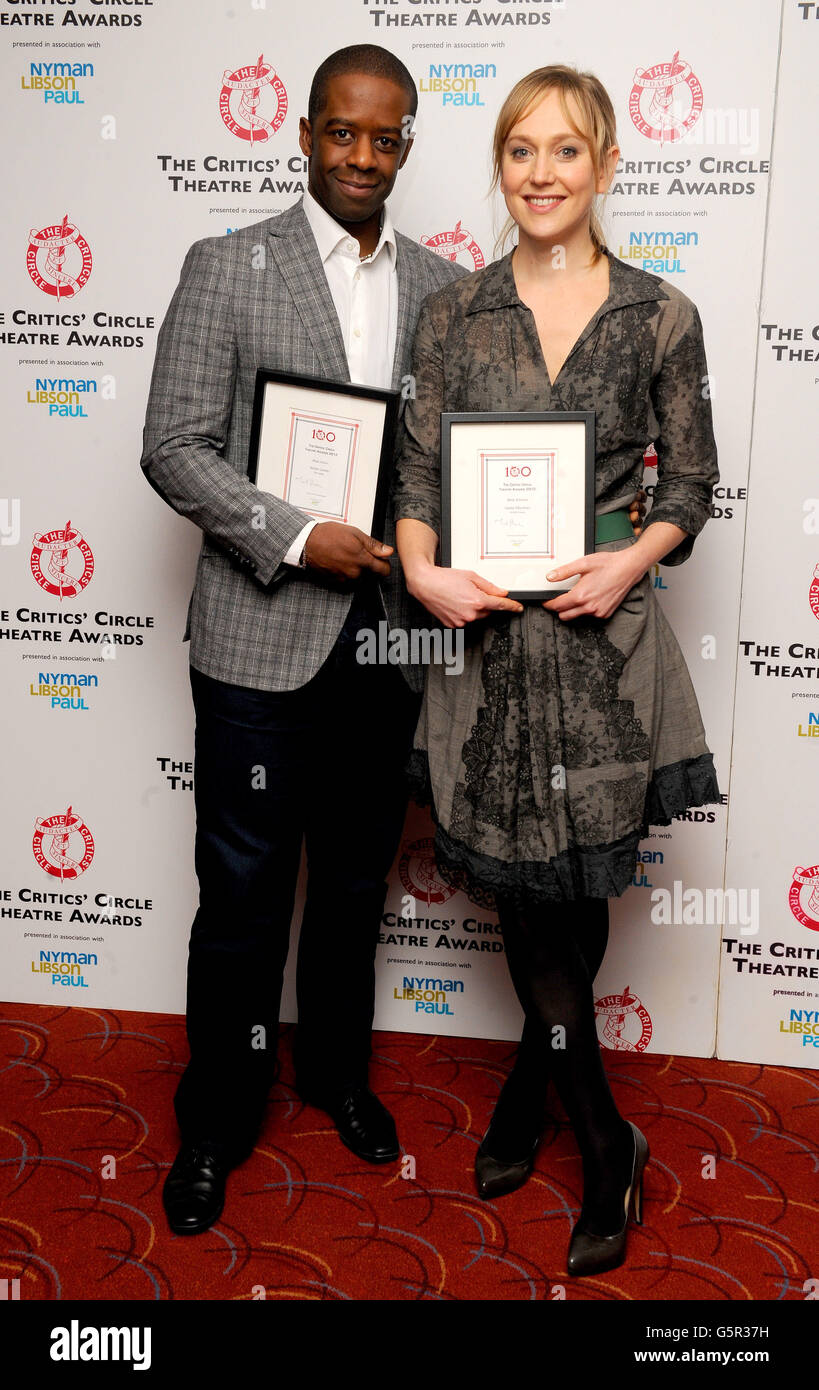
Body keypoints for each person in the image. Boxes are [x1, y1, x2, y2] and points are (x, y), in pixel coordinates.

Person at [393, 64, 721, 1277]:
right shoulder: (452, 315)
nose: (541, 173)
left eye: (566, 151)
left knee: (571, 898)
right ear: (499, 165)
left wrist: (632, 560)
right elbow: (416, 478)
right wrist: (421, 572)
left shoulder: (660, 313)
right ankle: (604, 1133)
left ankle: (542, 1104)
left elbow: (690, 483)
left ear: (605, 165)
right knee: (526, 899)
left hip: (602, 648)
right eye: (520, 150)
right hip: (484, 651)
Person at [140, 44, 471, 1236]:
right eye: (343, 132)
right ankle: (219, 1116)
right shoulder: (228, 266)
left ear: (408, 146)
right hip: (256, 641)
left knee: (348, 886)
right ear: (305, 132)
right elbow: (173, 445)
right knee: (239, 894)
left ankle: (336, 1074)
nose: (364, 157)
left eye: (387, 139)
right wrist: (293, 534)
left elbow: (446, 463)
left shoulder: (444, 287)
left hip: (386, 646)